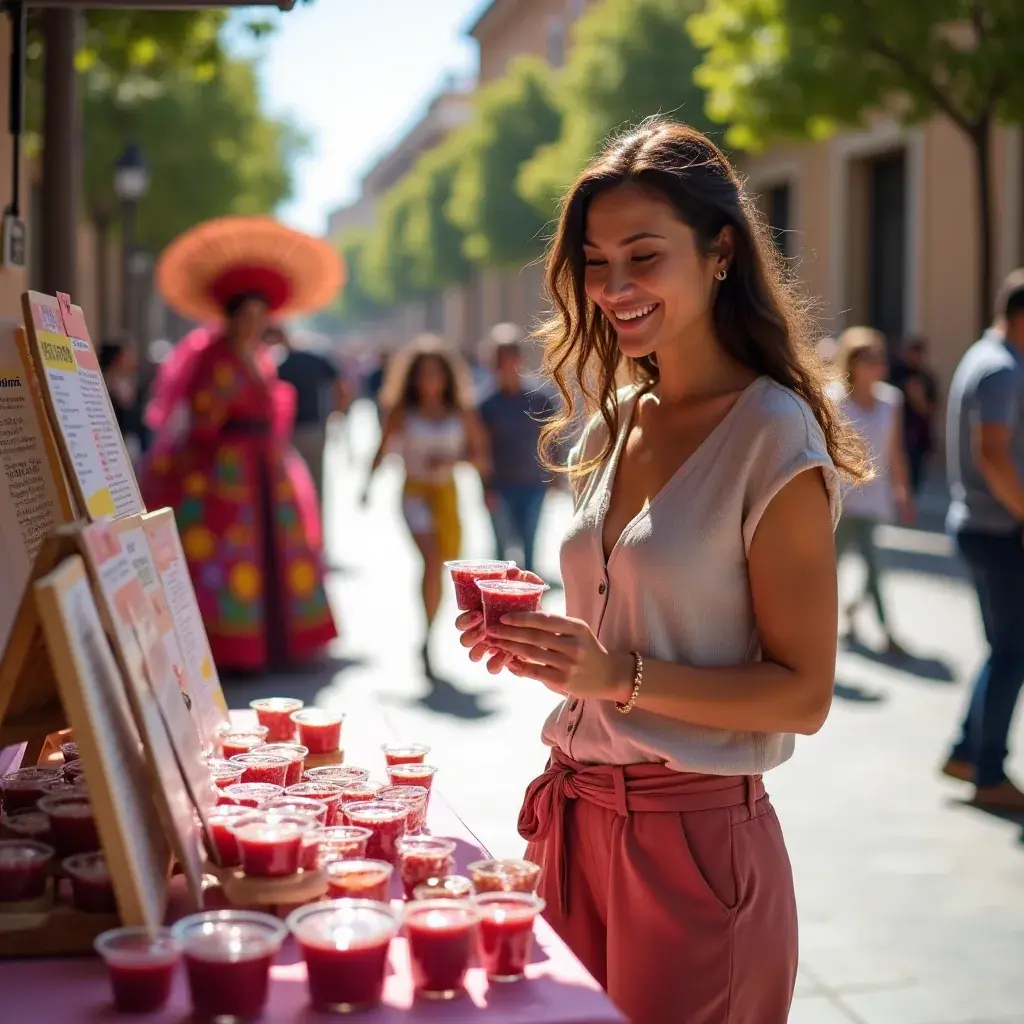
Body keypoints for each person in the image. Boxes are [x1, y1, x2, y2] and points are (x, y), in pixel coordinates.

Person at [454, 118, 866, 1023]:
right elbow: (623, 637)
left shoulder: (774, 437)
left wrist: (617, 676)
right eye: (597, 263)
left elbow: (804, 696)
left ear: (721, 253)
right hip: (574, 824)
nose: (615, 287)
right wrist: (546, 651)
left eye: (644, 256)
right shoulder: (614, 422)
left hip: (697, 842)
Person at [141, 215, 342, 673]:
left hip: (267, 467)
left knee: (276, 551)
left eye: (260, 318)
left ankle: (278, 641)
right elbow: (203, 416)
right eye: (245, 317)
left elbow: (274, 414)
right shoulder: (214, 358)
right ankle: (233, 647)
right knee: (231, 554)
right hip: (223, 472)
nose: (253, 325)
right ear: (231, 318)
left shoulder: (260, 358)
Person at [941, 269, 1024, 811]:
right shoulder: (1001, 369)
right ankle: (987, 771)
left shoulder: (987, 357)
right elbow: (991, 452)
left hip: (984, 527)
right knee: (1013, 651)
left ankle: (968, 752)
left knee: (1006, 649)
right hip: (998, 531)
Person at [362, 334, 488, 678]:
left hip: (446, 495)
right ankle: (428, 639)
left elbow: (480, 457)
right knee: (431, 561)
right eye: (423, 373)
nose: (429, 380)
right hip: (414, 493)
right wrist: (366, 486)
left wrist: (452, 461)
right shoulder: (402, 411)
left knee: (442, 570)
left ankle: (428, 634)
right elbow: (381, 449)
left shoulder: (461, 411)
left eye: (436, 373)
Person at [833, 327, 913, 654]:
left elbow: (895, 451)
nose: (877, 366)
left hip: (874, 496)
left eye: (880, 359)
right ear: (852, 363)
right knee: (832, 567)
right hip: (841, 498)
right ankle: (846, 620)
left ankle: (881, 629)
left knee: (873, 565)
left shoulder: (891, 401)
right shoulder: (834, 399)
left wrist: (903, 491)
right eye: (869, 359)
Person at [478, 323, 556, 574]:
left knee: (530, 548)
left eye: (511, 359)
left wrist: (556, 472)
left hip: (534, 484)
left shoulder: (540, 398)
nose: (507, 366)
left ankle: (530, 604)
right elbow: (481, 449)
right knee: (501, 552)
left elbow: (553, 436)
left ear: (520, 359)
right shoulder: (486, 404)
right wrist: (486, 487)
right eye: (501, 361)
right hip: (500, 486)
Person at [271, 326, 351, 505]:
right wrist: (337, 412)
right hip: (313, 429)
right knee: (315, 482)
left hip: (290, 432)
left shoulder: (279, 365)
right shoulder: (315, 360)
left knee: (291, 484)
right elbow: (342, 386)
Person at [892, 336, 938, 495]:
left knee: (915, 479)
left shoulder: (927, 378)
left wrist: (919, 399)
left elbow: (931, 409)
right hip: (899, 435)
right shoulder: (896, 375)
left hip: (919, 438)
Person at [100, 341, 145, 459]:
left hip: (131, 439)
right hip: (112, 440)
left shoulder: (131, 382)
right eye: (126, 356)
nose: (130, 360)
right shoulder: (104, 382)